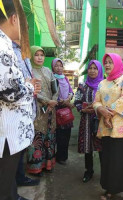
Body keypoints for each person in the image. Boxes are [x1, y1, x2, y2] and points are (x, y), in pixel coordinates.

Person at [0, 1, 40, 200]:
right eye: (23, 24)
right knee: (4, 183)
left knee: (7, 182)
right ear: (14, 19)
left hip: (8, 132)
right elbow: (12, 93)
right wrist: (30, 86)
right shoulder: (2, 46)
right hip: (6, 133)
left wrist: (22, 82)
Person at [93, 53, 123, 200]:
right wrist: (99, 109)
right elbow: (96, 101)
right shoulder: (102, 83)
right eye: (105, 62)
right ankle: (111, 189)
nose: (107, 65)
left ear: (117, 63)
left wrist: (107, 113)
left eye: (110, 62)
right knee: (110, 160)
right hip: (107, 128)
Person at [27, 46, 58, 177]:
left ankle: (48, 164)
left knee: (49, 138)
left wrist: (53, 101)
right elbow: (31, 91)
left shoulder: (48, 71)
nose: (40, 57)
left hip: (50, 111)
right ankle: (36, 167)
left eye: (42, 55)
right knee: (37, 138)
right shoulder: (29, 73)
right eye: (36, 55)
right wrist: (47, 101)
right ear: (31, 56)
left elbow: (55, 89)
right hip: (37, 111)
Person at [13, 41, 40, 187]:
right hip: (16, 110)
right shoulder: (7, 49)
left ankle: (19, 178)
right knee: (14, 151)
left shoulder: (23, 52)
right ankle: (14, 183)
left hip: (28, 109)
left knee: (22, 148)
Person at [74, 60, 103, 183]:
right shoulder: (83, 86)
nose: (92, 70)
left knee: (102, 147)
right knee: (88, 147)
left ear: (99, 70)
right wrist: (83, 109)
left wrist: (99, 109)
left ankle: (105, 173)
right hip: (86, 120)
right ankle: (89, 171)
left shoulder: (104, 85)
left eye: (95, 68)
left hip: (101, 120)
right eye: (90, 68)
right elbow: (77, 101)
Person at [51, 58, 74, 165]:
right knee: (58, 135)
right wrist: (60, 101)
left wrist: (68, 98)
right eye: (56, 66)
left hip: (67, 110)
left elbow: (71, 91)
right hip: (57, 110)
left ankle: (63, 157)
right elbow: (51, 94)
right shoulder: (52, 78)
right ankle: (57, 156)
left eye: (61, 65)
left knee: (66, 134)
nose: (59, 68)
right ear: (53, 67)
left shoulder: (65, 78)